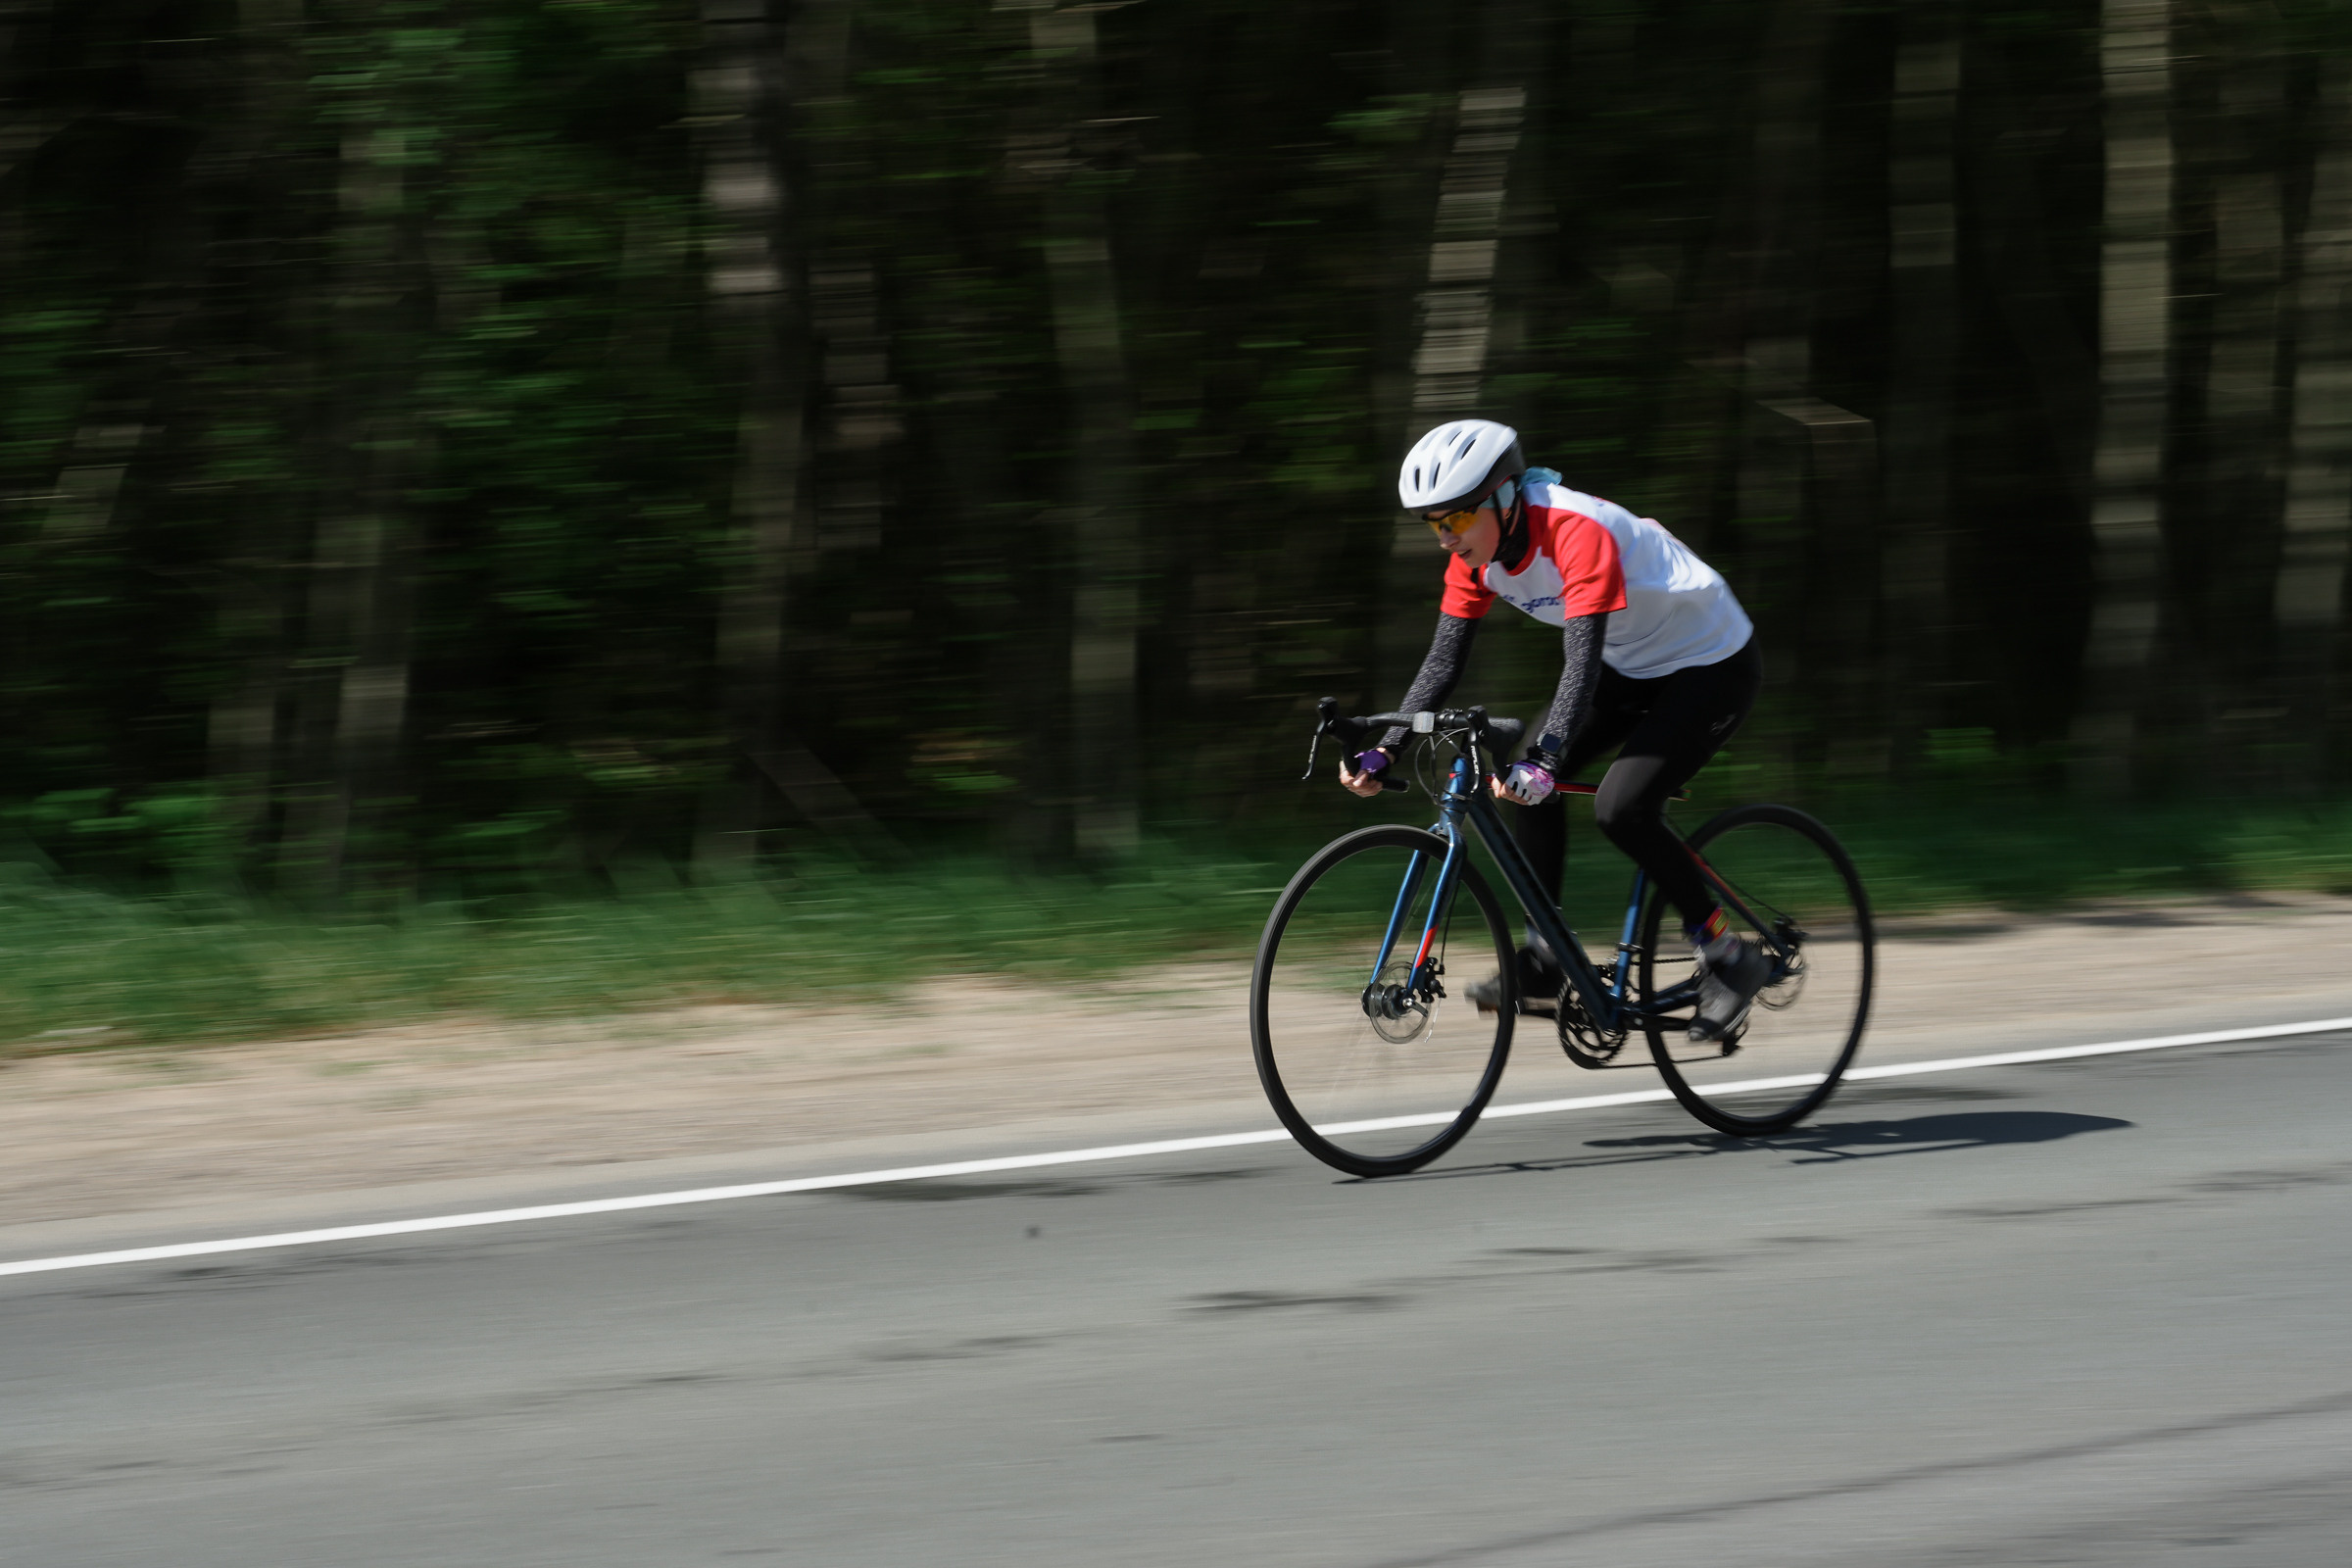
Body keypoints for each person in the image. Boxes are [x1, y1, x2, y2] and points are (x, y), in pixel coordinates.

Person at [1338, 418, 1767, 1043]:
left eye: (1454, 520)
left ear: (1505, 499)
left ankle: (1731, 959)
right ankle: (1546, 958)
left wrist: (1547, 757)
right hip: (1633, 665)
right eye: (1435, 524)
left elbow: (1581, 658)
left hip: (1711, 662)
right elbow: (1443, 662)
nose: (1444, 539)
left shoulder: (1574, 530)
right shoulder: (1476, 557)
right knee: (1517, 779)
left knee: (1621, 808)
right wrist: (1385, 749)